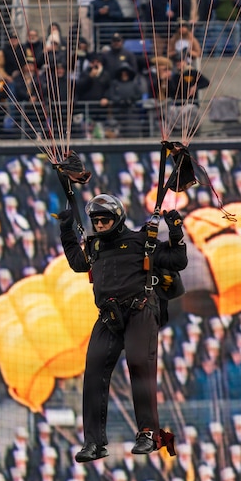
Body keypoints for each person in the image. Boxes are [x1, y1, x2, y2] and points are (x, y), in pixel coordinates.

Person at [58, 193, 187, 463]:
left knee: (139, 361)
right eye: (96, 221)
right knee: (93, 371)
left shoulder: (142, 241)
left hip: (140, 310)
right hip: (109, 316)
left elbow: (177, 260)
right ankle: (93, 441)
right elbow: (77, 263)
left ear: (117, 219)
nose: (100, 225)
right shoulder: (94, 247)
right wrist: (66, 230)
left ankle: (148, 432)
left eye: (105, 220)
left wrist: (175, 232)